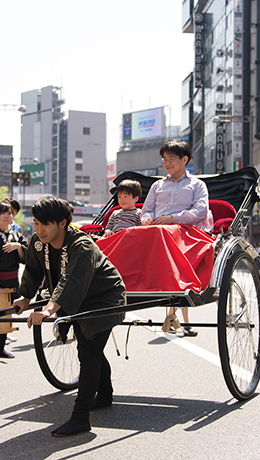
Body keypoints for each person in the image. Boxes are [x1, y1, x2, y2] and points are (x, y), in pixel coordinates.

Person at [13, 196, 126, 436]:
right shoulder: (37, 242)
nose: (39, 230)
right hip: (74, 297)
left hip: (104, 296)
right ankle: (104, 394)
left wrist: (48, 309)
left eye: (45, 224)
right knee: (90, 346)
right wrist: (25, 297)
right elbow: (33, 270)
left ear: (63, 223)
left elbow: (72, 280)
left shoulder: (81, 245)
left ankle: (81, 417)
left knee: (88, 349)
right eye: (35, 223)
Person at [141, 140, 213, 336]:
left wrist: (173, 218)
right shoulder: (157, 185)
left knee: (165, 233)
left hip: (185, 232)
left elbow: (200, 211)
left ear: (184, 160)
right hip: (157, 231)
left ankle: (177, 311)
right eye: (164, 159)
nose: (167, 162)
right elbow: (146, 210)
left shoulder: (197, 185)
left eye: (172, 158)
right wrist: (147, 220)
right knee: (130, 235)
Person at [0, 201, 28, 358]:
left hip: (11, 281)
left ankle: (1, 347)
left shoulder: (16, 235)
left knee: (6, 315)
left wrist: (18, 247)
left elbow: (25, 259)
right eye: (3, 213)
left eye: (9, 213)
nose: (6, 216)